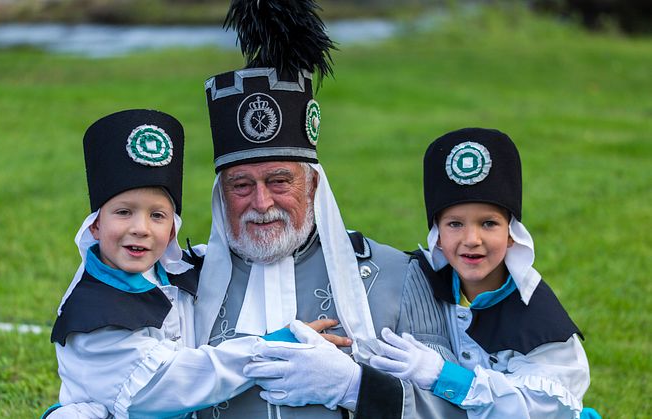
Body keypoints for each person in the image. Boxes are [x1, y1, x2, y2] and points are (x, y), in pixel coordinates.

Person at [189, 0, 467, 417]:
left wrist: (357, 388)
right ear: (220, 193)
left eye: (280, 181)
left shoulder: (399, 277)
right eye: (241, 185)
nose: (261, 203)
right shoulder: (181, 287)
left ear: (313, 185)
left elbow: (452, 410)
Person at [45, 109, 302, 419]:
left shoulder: (170, 272)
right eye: (124, 212)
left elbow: (232, 256)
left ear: (171, 232)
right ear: (95, 226)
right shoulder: (94, 314)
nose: (140, 227)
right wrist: (276, 346)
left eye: (157, 215)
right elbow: (178, 382)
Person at [367, 128, 592, 418]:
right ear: (437, 234)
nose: (472, 238)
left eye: (488, 223)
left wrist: (442, 375)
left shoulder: (539, 320)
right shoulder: (419, 284)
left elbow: (539, 410)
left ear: (512, 234)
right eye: (454, 224)